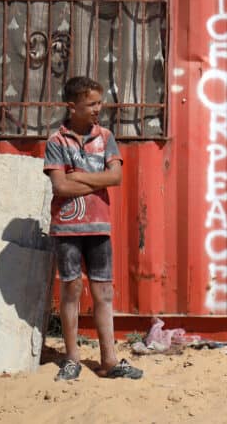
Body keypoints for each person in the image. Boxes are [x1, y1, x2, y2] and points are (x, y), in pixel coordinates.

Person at [43, 76, 143, 381]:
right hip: (67, 230)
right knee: (71, 290)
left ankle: (109, 361)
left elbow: (115, 178)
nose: (99, 109)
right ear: (72, 107)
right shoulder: (57, 141)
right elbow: (59, 186)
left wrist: (77, 176)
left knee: (103, 293)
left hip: (99, 227)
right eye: (92, 104)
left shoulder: (106, 137)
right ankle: (72, 358)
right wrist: (93, 177)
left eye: (100, 103)